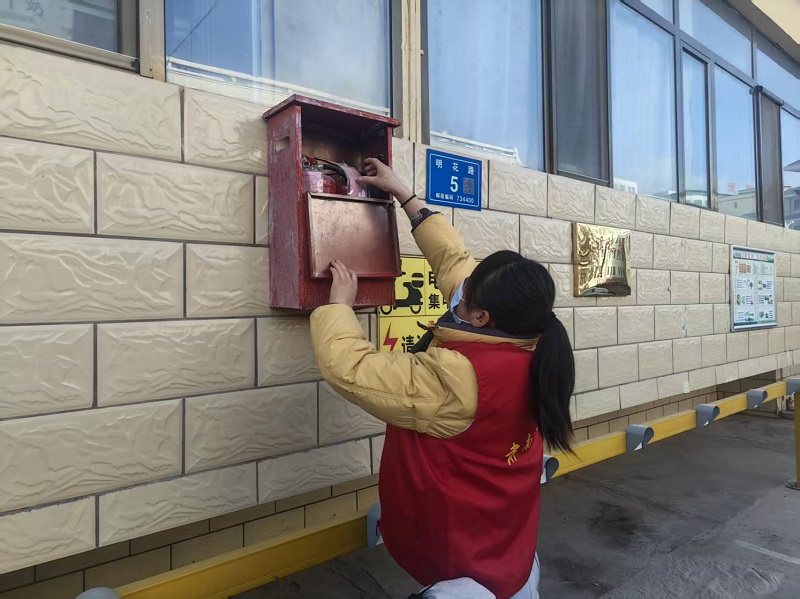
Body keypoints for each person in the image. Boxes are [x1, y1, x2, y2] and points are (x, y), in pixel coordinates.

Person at [310, 158, 575, 599]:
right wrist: (404, 195)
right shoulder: (533, 340)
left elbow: (352, 370)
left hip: (464, 565)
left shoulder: (460, 377)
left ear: (482, 317)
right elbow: (454, 260)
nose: (457, 295)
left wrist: (338, 306)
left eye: (465, 299)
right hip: (508, 539)